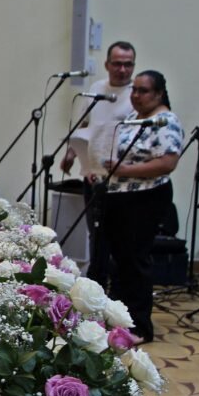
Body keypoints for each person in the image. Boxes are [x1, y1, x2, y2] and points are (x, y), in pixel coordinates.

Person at [101, 71, 183, 343]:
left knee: (136, 260)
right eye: (134, 90)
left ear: (159, 94)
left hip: (146, 197)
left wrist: (126, 169)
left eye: (143, 91)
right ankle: (119, 319)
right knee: (120, 260)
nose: (135, 95)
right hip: (120, 196)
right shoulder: (134, 118)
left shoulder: (165, 121)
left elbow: (168, 162)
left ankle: (139, 326)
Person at [60, 41, 137, 289]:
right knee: (97, 235)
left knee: (120, 238)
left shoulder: (136, 95)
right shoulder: (96, 89)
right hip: (93, 174)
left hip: (122, 180)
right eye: (117, 64)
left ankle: (118, 288)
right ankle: (97, 285)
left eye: (128, 64)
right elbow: (84, 126)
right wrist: (71, 154)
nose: (123, 70)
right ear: (107, 65)